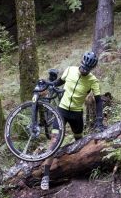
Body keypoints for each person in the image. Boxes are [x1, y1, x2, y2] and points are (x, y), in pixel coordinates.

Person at [40, 51, 105, 190]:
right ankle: (45, 175)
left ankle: (80, 170)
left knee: (79, 142)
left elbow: (99, 101)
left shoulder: (93, 80)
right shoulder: (70, 70)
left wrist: (99, 120)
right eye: (83, 68)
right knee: (55, 141)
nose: (84, 71)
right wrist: (48, 82)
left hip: (76, 114)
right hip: (61, 111)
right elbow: (57, 83)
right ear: (81, 63)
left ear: (91, 69)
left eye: (87, 70)